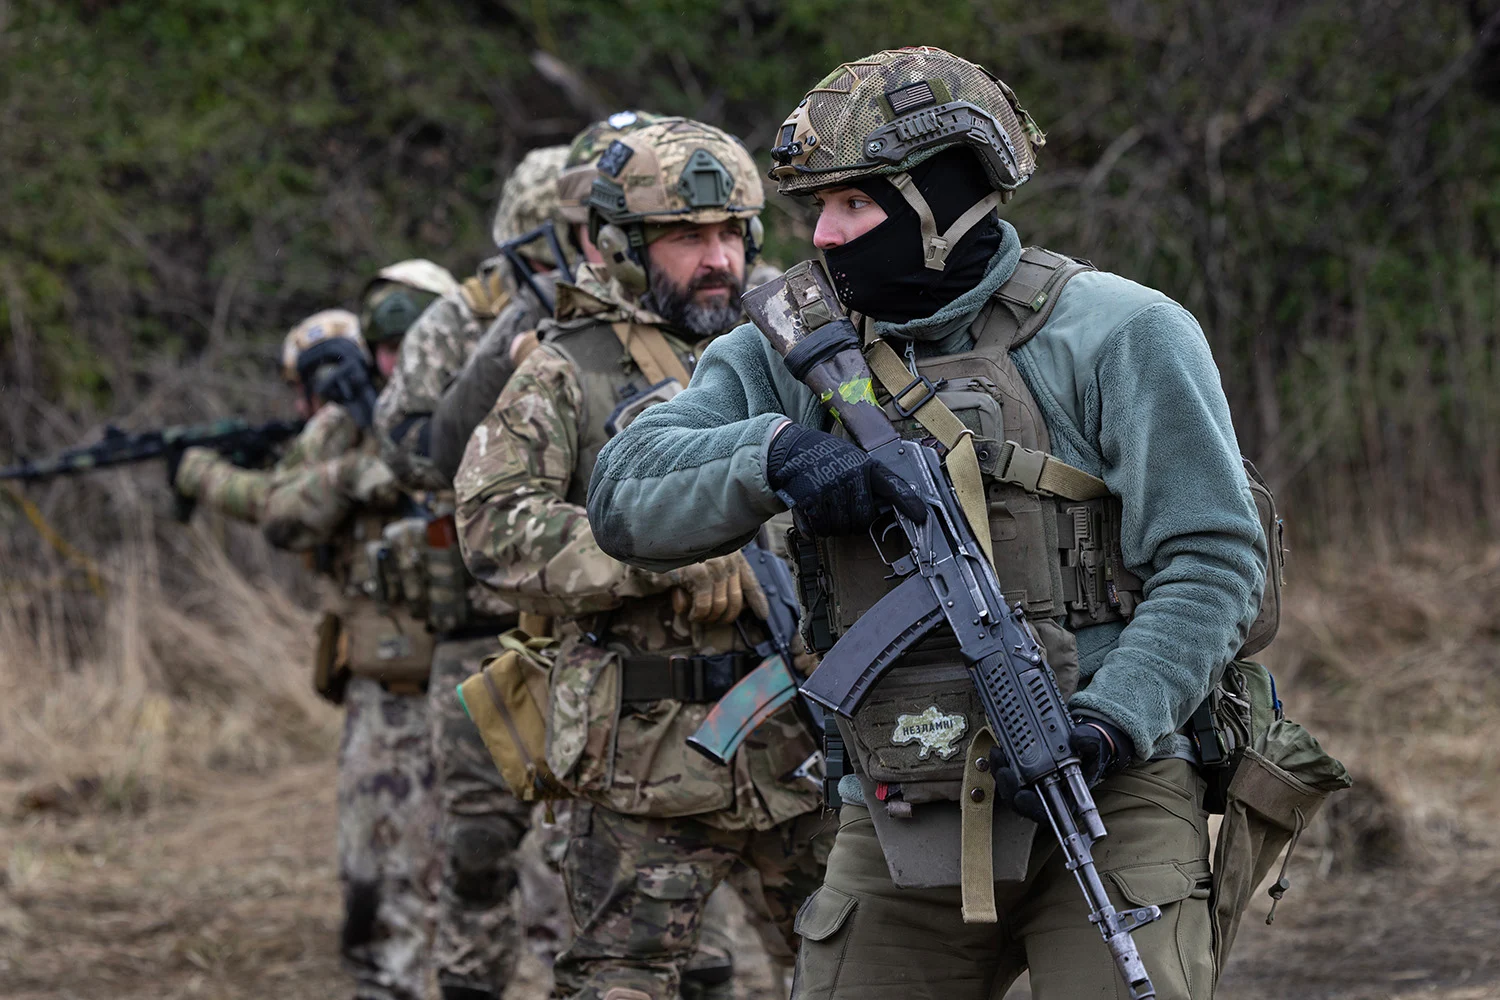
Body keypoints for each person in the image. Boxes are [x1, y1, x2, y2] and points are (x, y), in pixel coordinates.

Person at [586, 48, 1268, 1000]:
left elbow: (1216, 559)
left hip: (1108, 791)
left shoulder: (1121, 333)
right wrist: (777, 457)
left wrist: (1114, 721)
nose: (822, 236)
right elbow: (621, 495)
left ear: (942, 202)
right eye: (814, 209)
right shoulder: (786, 346)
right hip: (898, 796)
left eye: (854, 206)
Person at [452, 117, 830, 1000]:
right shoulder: (564, 371)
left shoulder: (799, 353)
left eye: (732, 234)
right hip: (643, 764)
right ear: (624, 245)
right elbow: (492, 526)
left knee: (855, 976)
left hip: (802, 743)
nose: (718, 259)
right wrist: (654, 556)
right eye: (687, 238)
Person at [173, 270, 451, 1000]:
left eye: (411, 346)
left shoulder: (487, 399)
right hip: (389, 688)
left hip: (490, 676)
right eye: (386, 350)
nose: (398, 366)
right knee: (376, 888)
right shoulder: (342, 428)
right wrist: (368, 471)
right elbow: (281, 508)